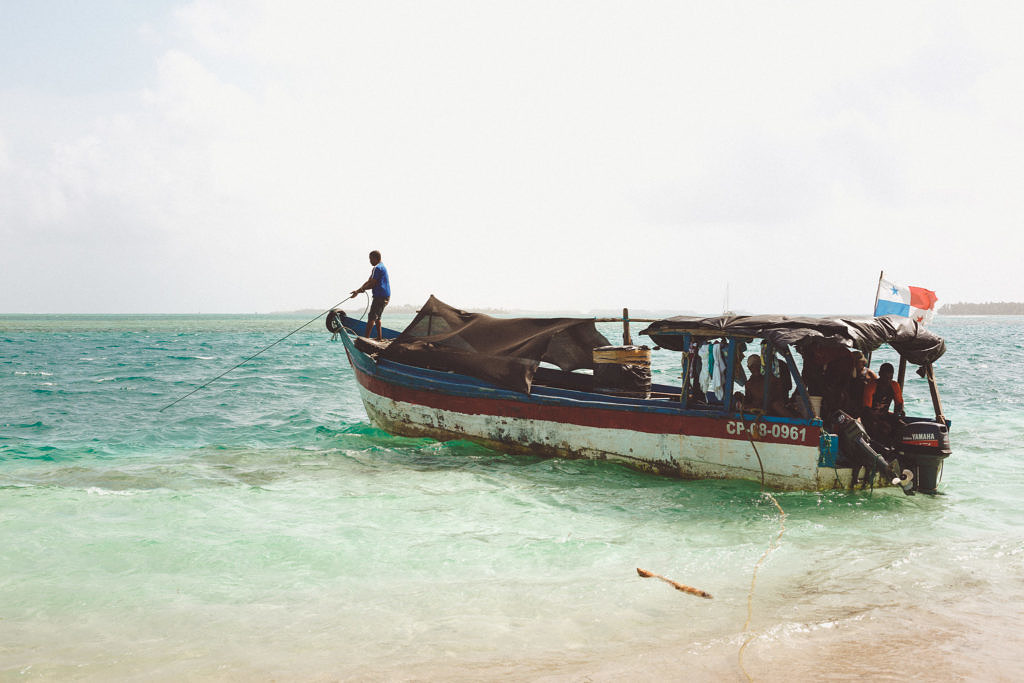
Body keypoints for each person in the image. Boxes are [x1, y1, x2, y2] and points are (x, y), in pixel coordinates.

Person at [350, 250, 390, 340]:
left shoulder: (377, 268)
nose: (370, 261)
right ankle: (379, 337)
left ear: (375, 258)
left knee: (371, 317)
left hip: (380, 296)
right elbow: (369, 281)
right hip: (385, 296)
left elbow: (372, 284)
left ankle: (366, 339)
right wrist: (358, 291)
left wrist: (361, 290)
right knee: (377, 317)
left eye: (370, 259)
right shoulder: (381, 267)